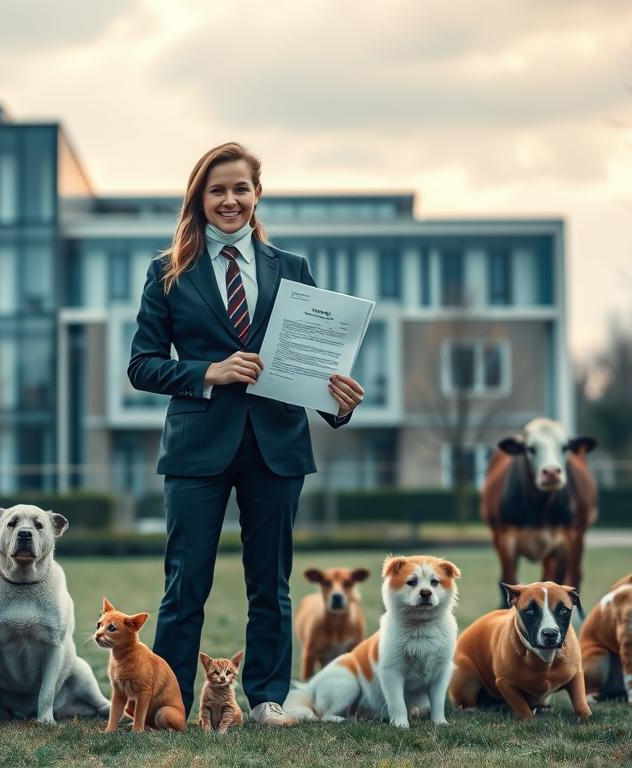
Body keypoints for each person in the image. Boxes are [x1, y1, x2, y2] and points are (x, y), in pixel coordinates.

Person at [127, 142, 365, 726]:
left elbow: (313, 362)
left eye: (240, 188)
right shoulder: (168, 272)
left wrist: (338, 404)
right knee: (185, 584)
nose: (229, 200)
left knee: (271, 587)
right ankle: (170, 703)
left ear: (257, 194)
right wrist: (207, 371)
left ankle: (265, 700)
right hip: (196, 448)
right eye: (217, 190)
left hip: (276, 446)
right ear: (199, 198)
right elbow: (141, 365)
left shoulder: (293, 269)